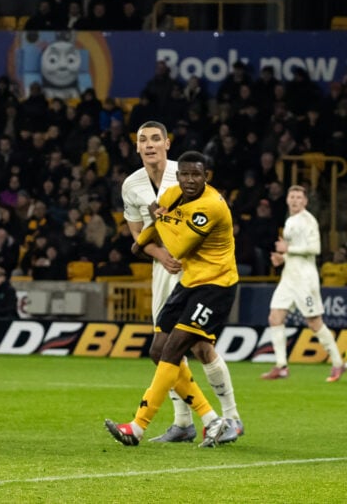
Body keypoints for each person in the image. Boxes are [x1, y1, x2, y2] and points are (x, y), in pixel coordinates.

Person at [119, 121, 242, 444]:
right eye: (142, 139)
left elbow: (179, 240)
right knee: (161, 349)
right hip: (171, 272)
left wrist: (159, 223)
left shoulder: (198, 191)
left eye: (155, 138)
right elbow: (145, 230)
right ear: (136, 146)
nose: (149, 145)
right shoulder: (134, 185)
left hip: (211, 279)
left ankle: (230, 418)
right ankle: (190, 421)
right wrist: (147, 244)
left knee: (196, 347)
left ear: (167, 143)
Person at [260, 185, 345, 382]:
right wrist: (283, 258)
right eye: (292, 196)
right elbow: (296, 252)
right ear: (287, 199)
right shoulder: (290, 220)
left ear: (305, 201)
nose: (295, 200)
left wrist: (288, 249)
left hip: (305, 280)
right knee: (275, 317)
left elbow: (315, 248)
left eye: (299, 197)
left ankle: (338, 363)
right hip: (289, 277)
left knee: (314, 323)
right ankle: (281, 366)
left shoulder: (308, 220)